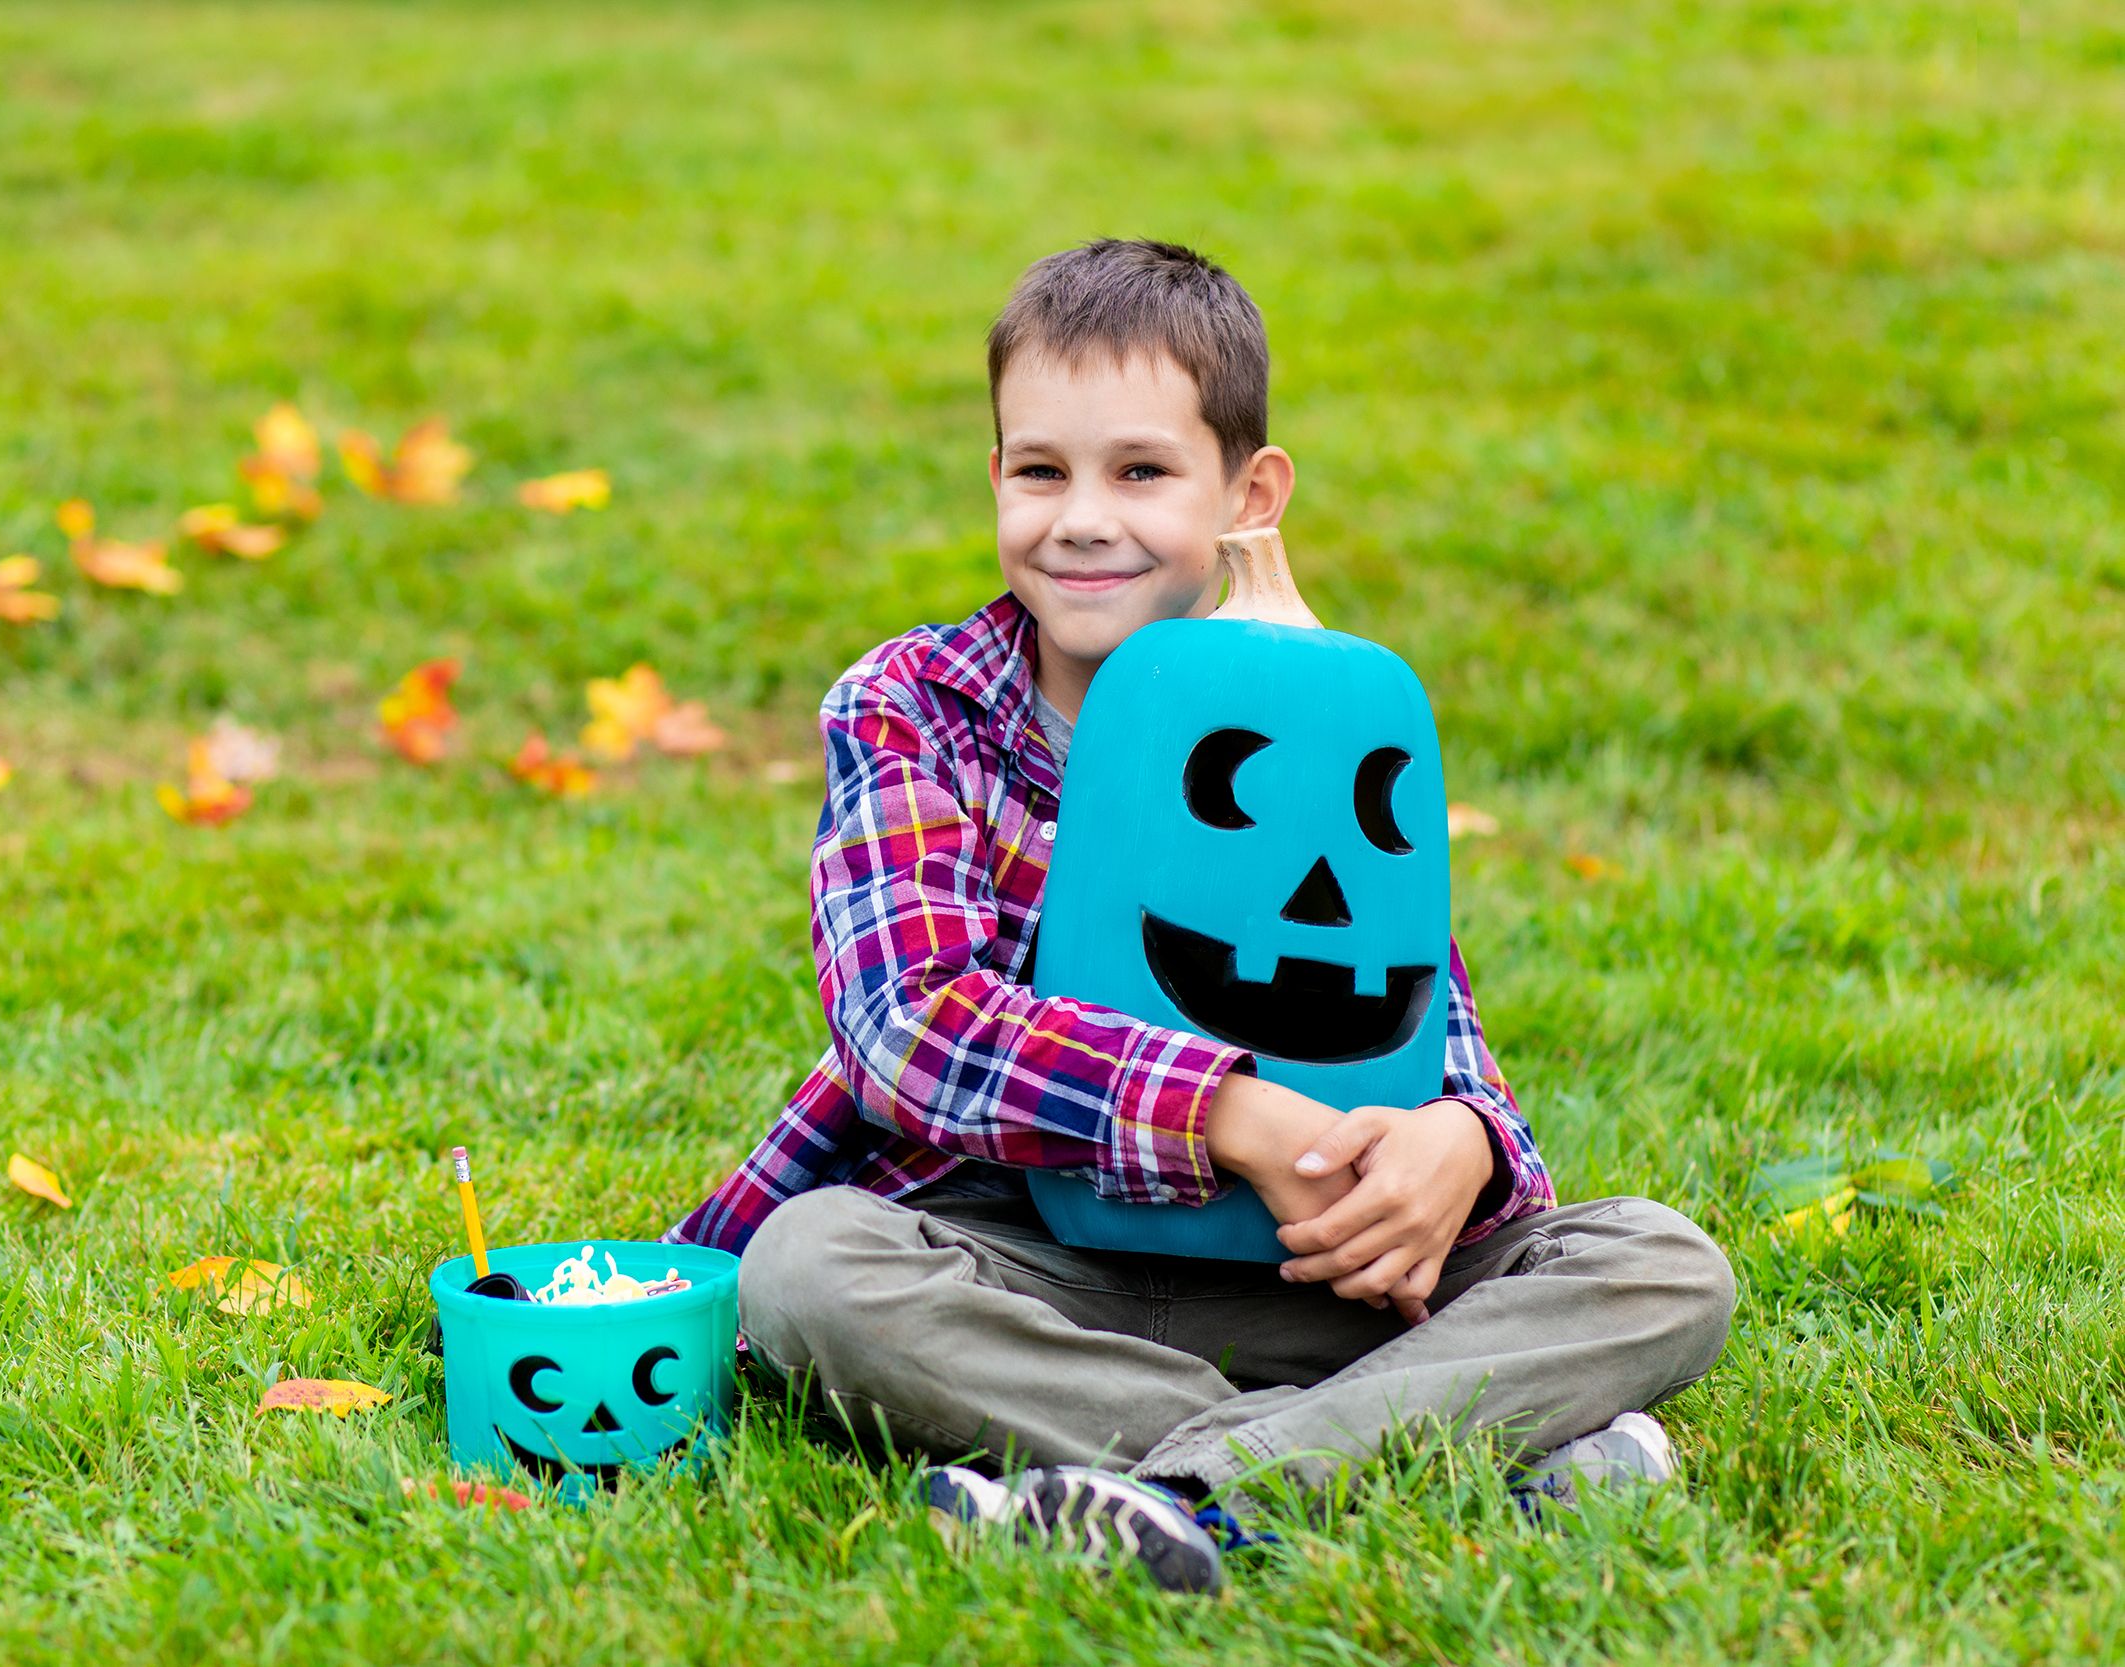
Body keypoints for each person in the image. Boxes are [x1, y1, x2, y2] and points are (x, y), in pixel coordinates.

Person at [663, 238, 1734, 1594]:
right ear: (995, 478)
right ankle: (1395, 1465)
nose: (1082, 519)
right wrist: (1230, 1112)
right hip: (1019, 1269)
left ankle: (1170, 1491)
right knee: (809, 1272)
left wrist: (1462, 1142)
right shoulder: (913, 707)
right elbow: (907, 1028)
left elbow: (1408, 1005)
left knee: (1659, 1264)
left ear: (1247, 493)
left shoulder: (1320, 717)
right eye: (1040, 470)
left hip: (1310, 1278)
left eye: (1142, 472)